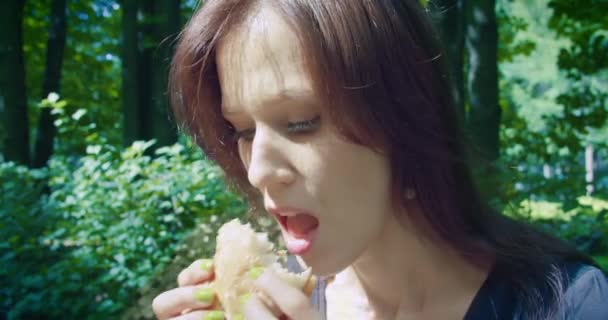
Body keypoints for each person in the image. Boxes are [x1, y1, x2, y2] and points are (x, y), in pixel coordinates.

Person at [151, 1, 608, 319]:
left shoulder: (571, 306)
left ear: (403, 121)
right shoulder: (275, 305)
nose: (258, 170)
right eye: (244, 131)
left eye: (300, 122)